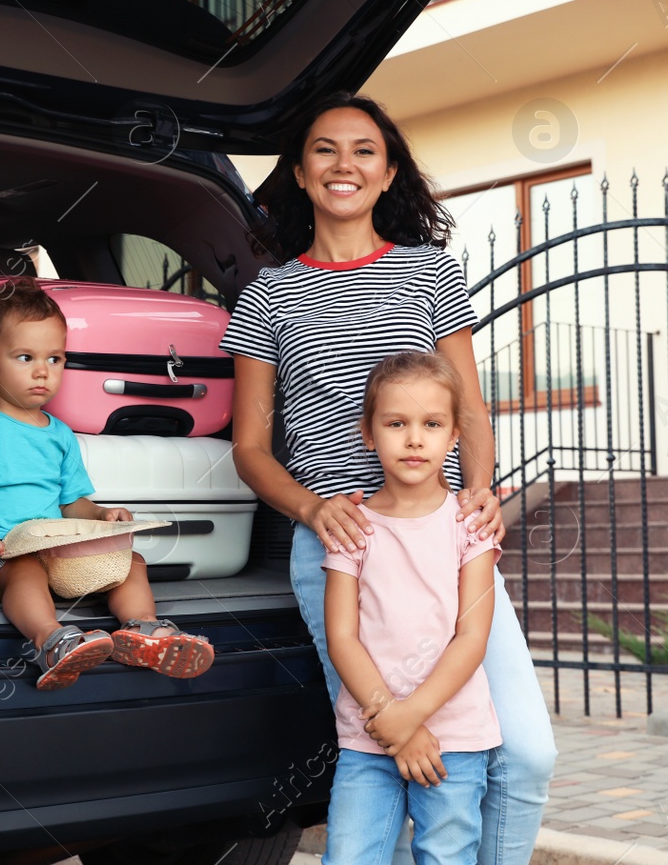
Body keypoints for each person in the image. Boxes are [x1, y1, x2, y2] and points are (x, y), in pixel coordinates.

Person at [222, 92, 556, 865]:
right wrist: (312, 508)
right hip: (343, 546)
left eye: (364, 149)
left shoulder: (429, 273)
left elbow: (469, 406)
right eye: (326, 150)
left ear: (388, 170)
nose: (345, 164)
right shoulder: (268, 295)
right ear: (300, 175)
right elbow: (250, 448)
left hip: (447, 538)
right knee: (399, 751)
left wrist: (482, 489)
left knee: (525, 755)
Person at [0, 278, 215, 688]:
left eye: (55, 359)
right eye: (25, 357)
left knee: (128, 562)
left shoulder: (60, 434)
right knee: (23, 568)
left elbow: (72, 502)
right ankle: (51, 641)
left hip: (52, 553)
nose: (42, 371)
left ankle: (144, 632)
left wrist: (100, 515)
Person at [322, 352, 502, 865]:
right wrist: (392, 720)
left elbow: (471, 636)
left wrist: (414, 718)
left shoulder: (470, 526)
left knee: (446, 857)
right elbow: (343, 638)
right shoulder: (353, 526)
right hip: (368, 736)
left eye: (432, 424)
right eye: (397, 423)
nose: (415, 438)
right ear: (369, 433)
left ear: (453, 437)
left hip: (456, 738)